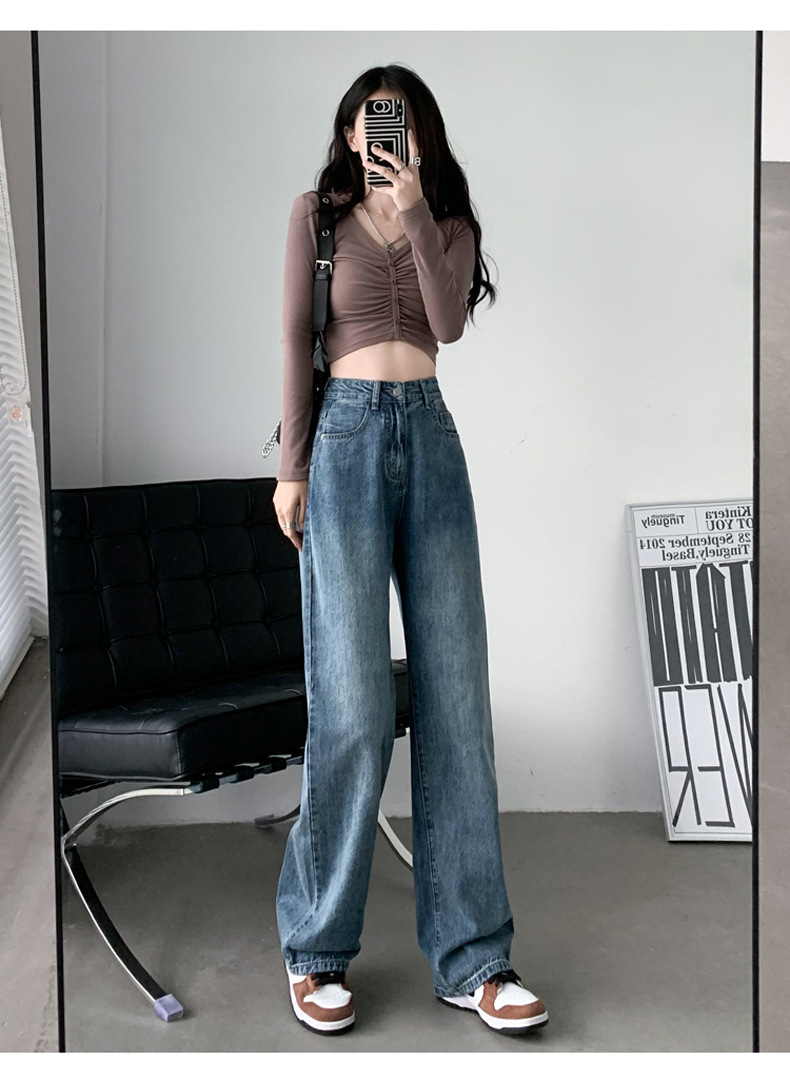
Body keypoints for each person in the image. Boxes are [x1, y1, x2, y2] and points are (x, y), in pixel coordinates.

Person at [271, 63, 548, 1038]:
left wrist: (417, 208)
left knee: (456, 700)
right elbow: (295, 339)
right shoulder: (315, 217)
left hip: (429, 437)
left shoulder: (449, 220)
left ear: (417, 135)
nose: (379, 134)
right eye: (366, 120)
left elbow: (448, 323)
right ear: (349, 133)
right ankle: (316, 946)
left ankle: (473, 957)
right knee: (350, 704)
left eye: (396, 122)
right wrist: (291, 467)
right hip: (343, 442)